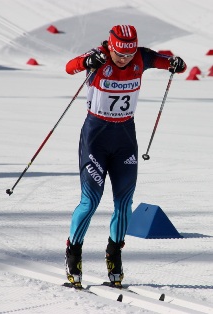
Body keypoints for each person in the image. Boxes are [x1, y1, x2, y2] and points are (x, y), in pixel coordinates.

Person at [65, 25, 186, 288]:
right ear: (110, 46)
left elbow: (170, 63)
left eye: (128, 55)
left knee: (124, 203)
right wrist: (87, 62)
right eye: (119, 54)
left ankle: (114, 254)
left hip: (125, 139)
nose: (124, 59)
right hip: (95, 137)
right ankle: (74, 252)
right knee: (90, 201)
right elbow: (70, 67)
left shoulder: (141, 57)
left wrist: (176, 64)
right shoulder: (100, 55)